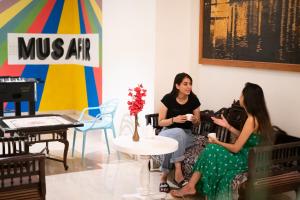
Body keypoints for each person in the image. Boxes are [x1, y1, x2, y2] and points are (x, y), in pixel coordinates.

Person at [170, 82, 273, 199]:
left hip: (246, 159)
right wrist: (228, 126)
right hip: (251, 157)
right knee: (211, 151)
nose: (240, 97)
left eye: (242, 94)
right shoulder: (259, 117)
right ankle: (190, 187)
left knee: (212, 149)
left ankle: (190, 187)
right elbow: (246, 137)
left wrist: (217, 141)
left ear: (248, 99)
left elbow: (236, 148)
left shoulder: (251, 119)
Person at [158, 72, 201, 193]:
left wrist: (195, 120)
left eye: (190, 84)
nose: (189, 87)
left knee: (173, 143)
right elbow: (160, 122)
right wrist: (174, 120)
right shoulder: (168, 99)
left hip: (187, 135)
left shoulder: (194, 99)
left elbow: (198, 123)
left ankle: (163, 177)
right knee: (177, 134)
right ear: (177, 86)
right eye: (185, 84)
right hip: (167, 132)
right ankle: (178, 170)